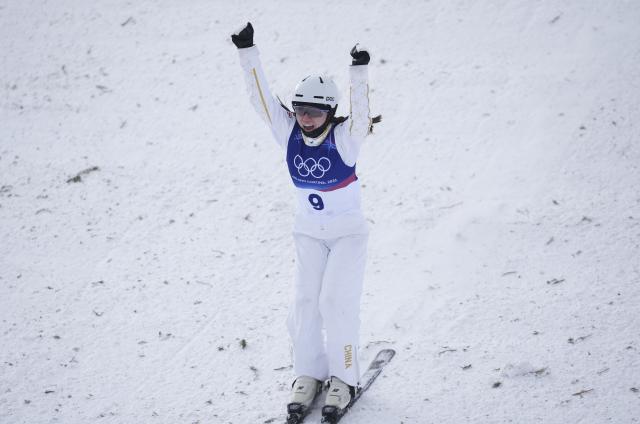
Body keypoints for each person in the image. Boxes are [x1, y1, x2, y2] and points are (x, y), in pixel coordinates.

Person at [231, 22, 378, 421]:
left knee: (335, 302)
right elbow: (261, 100)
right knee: (304, 305)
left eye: (313, 111)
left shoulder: (345, 138)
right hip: (309, 233)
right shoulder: (288, 132)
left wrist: (358, 70)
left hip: (348, 234)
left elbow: (363, 116)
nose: (305, 118)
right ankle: (309, 374)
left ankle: (344, 379)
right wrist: (248, 51)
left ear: (329, 112)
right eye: (300, 110)